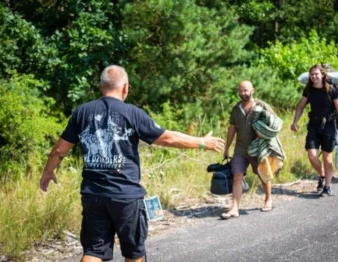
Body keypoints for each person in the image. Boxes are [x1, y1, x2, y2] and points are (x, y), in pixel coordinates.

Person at [39, 65, 225, 262]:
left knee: (94, 250)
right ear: (125, 87)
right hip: (125, 195)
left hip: (93, 194)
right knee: (134, 253)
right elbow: (167, 138)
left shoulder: (82, 112)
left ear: (101, 86)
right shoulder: (133, 113)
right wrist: (203, 142)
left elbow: (59, 150)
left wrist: (47, 173)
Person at [222, 80, 284, 219]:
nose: (243, 93)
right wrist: (227, 148)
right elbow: (232, 129)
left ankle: (268, 199)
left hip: (258, 148)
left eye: (246, 90)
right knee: (237, 176)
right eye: (241, 90)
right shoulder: (236, 109)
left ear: (253, 90)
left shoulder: (262, 106)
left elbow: (275, 123)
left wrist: (268, 139)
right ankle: (235, 208)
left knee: (263, 174)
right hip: (241, 149)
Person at [291, 64, 338, 196]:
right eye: (312, 74)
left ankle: (327, 186)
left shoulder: (332, 89)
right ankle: (322, 174)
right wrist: (295, 122)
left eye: (316, 74)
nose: (314, 76)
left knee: (328, 158)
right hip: (314, 125)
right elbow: (301, 106)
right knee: (312, 156)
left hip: (329, 125)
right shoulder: (309, 90)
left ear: (322, 75)